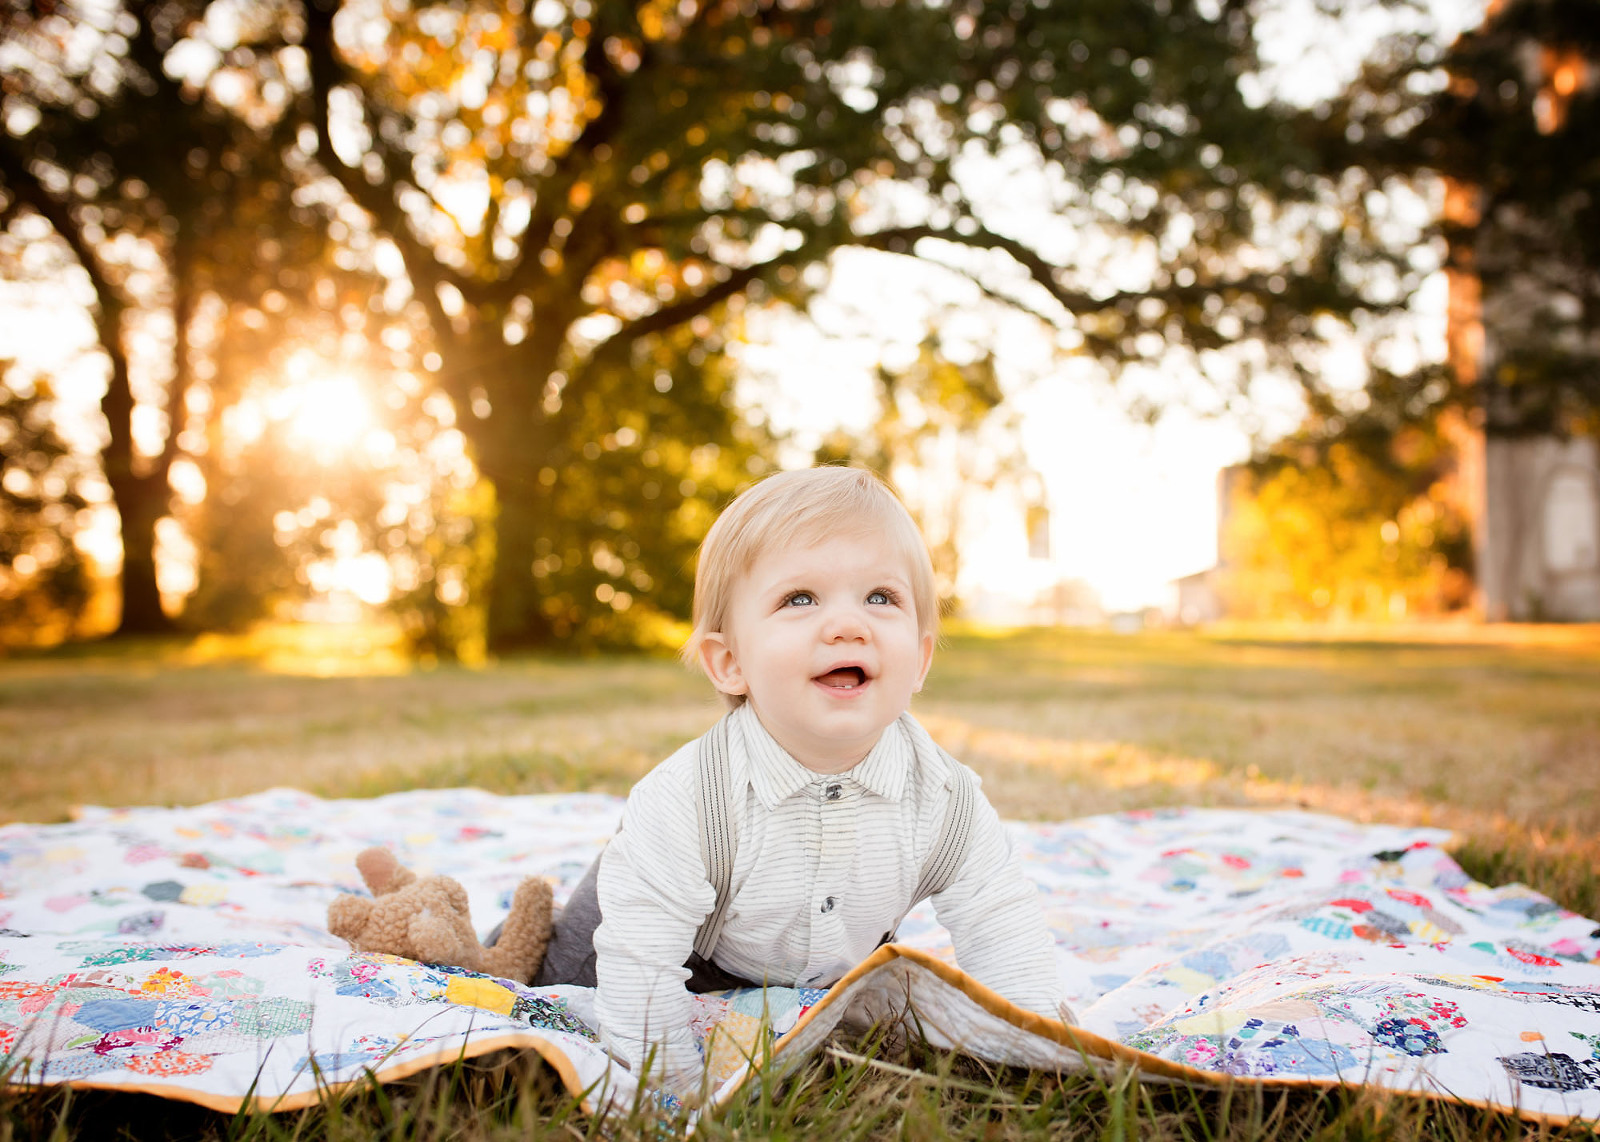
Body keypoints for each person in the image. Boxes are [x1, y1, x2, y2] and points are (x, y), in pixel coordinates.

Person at [530, 466, 1071, 1094]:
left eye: (881, 597)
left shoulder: (946, 800)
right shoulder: (687, 800)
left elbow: (1001, 921)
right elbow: (638, 967)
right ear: (730, 662)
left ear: (920, 659)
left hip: (817, 978)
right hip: (665, 953)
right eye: (800, 599)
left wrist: (1040, 1060)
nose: (848, 625)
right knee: (551, 985)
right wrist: (673, 1096)